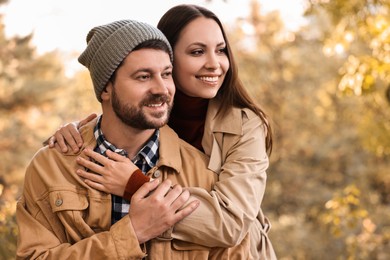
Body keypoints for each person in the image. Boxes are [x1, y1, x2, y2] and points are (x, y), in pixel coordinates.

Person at [49, 4, 276, 259]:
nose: (214, 64)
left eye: (221, 50)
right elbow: (112, 116)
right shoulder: (147, 110)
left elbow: (231, 223)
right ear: (167, 56)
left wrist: (134, 185)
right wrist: (73, 131)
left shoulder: (246, 126)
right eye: (197, 52)